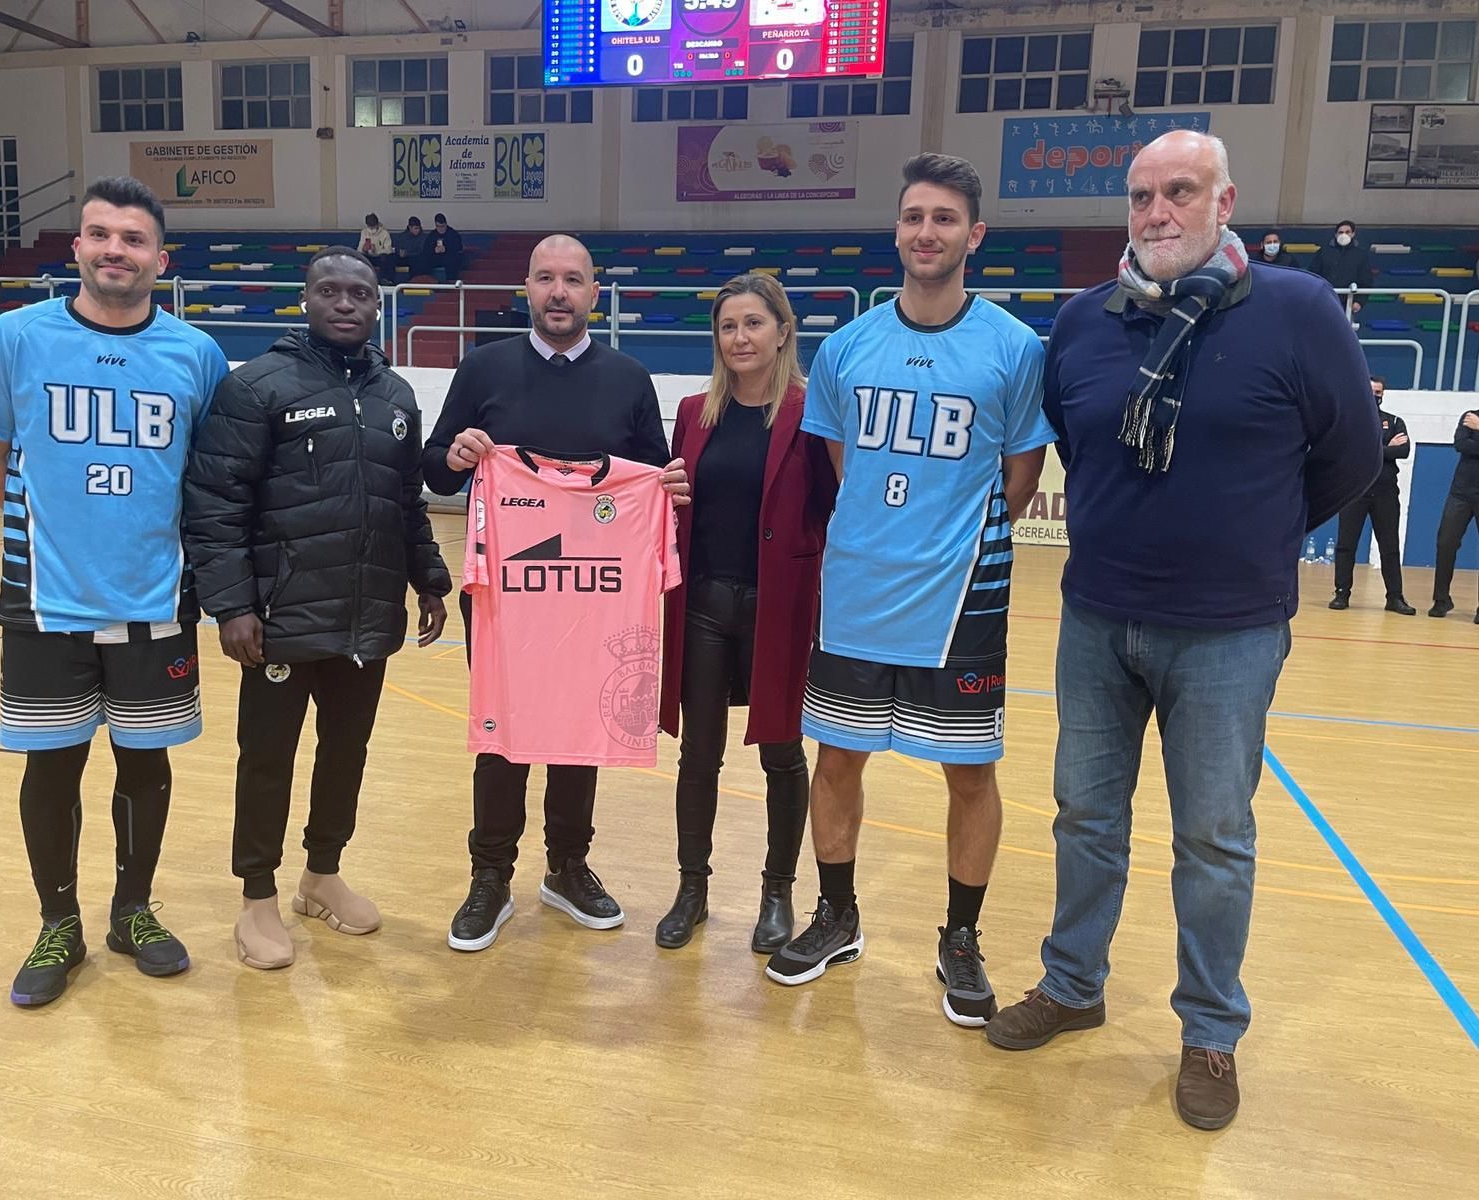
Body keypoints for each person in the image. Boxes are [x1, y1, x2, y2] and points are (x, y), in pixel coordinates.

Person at [986, 130, 1381, 1132]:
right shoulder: (1081, 322)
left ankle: (1209, 1031)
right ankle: (1072, 986)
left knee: (1213, 840)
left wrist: (1255, 540)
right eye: (1140, 197)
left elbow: (1349, 456)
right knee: (1084, 817)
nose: (1157, 213)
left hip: (1228, 633)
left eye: (1179, 192)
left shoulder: (1294, 309)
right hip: (1095, 620)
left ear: (1223, 199)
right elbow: (1082, 446)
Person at [764, 154, 1054, 1031]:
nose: (925, 232)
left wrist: (941, 537)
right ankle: (838, 915)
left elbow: (1019, 478)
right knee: (837, 759)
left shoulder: (1013, 346)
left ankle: (960, 938)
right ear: (897, 230)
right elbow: (844, 468)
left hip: (960, 597)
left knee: (970, 772)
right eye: (913, 216)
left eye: (943, 218)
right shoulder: (848, 346)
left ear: (974, 235)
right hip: (856, 593)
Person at [0, 176, 229, 1007]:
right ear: (76, 247)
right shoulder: (15, 337)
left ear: (160, 259)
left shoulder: (196, 355)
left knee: (145, 767)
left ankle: (132, 911)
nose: (116, 249)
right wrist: (62, 527)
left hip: (157, 601)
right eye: (100, 234)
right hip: (44, 601)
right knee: (52, 767)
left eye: (133, 239)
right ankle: (58, 922)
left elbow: (209, 477)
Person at [183, 246, 452, 970]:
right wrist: (232, 605)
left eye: (358, 294)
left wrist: (429, 579)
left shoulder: (395, 395)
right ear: (306, 299)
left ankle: (321, 875)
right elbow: (215, 503)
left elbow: (405, 503)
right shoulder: (259, 386)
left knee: (346, 752)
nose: (344, 303)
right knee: (267, 760)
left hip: (365, 617)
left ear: (375, 306)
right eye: (329, 290)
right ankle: (257, 899)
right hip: (280, 619)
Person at [422, 234, 690, 953]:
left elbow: (655, 475)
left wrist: (670, 483)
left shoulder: (629, 378)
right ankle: (490, 875)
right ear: (529, 290)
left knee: (580, 725)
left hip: (595, 592)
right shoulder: (482, 369)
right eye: (546, 279)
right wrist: (453, 455)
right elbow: (437, 471)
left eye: (573, 279)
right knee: (502, 730)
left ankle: (567, 866)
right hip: (510, 597)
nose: (559, 292)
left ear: (594, 293)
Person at [654, 274, 837, 952]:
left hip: (778, 606)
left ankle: (776, 891)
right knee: (699, 756)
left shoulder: (811, 413)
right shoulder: (692, 411)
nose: (740, 338)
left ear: (782, 331)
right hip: (702, 604)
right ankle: (691, 889)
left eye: (754, 323)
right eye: (728, 326)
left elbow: (830, 505)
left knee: (782, 753)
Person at [1330, 377, 1415, 614]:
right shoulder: (1348, 421)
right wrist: (1386, 447)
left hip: (1386, 493)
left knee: (1389, 546)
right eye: (1370, 391)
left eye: (1378, 392)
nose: (1374, 395)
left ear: (1383, 395)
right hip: (1354, 492)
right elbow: (1350, 452)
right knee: (1346, 545)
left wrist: (1372, 449)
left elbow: (1404, 450)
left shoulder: (1395, 421)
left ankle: (1395, 598)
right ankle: (1341, 594)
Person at [1429, 405, 1479, 622]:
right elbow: (1460, 445)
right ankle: (1441, 600)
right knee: (1446, 543)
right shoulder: (1470, 416)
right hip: (1461, 492)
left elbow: (1471, 446)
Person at [1308, 218, 1374, 312]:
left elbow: (1366, 281)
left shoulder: (1361, 255)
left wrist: (1359, 301)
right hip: (1324, 300)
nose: (1344, 235)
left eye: (1348, 232)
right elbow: (1313, 274)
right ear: (1335, 234)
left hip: (1347, 303)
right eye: (1341, 232)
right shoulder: (1324, 252)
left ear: (1353, 234)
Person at [358, 213, 395, 283]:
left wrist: (376, 251)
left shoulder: (384, 233)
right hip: (368, 256)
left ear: (377, 224)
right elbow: (359, 249)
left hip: (379, 257)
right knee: (360, 257)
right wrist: (364, 249)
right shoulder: (364, 232)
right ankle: (361, 280)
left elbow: (388, 250)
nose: (372, 229)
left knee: (387, 258)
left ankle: (384, 280)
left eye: (373, 226)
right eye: (370, 227)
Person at [428, 213, 465, 279]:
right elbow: (426, 249)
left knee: (452, 261)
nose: (440, 229)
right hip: (435, 258)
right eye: (438, 226)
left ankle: (451, 283)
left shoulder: (453, 234)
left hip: (450, 258)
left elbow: (458, 247)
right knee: (424, 261)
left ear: (446, 224)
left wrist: (446, 249)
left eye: (442, 226)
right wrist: (434, 250)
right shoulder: (432, 235)